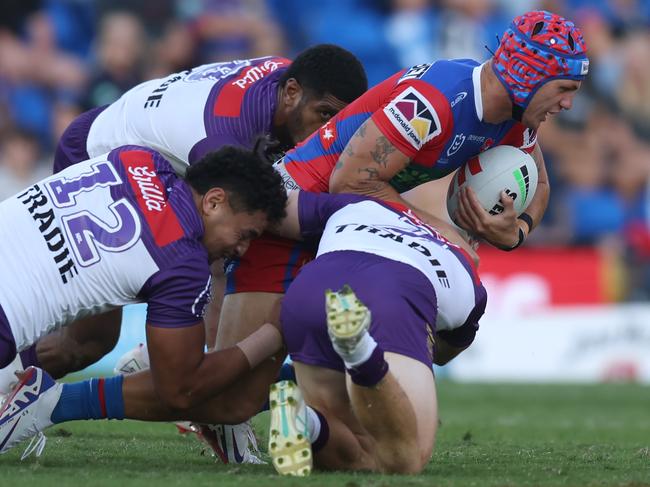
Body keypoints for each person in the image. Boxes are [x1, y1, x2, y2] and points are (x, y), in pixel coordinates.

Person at [214, 9, 589, 424]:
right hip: (291, 205)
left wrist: (515, 231)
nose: (568, 103)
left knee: (451, 333)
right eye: (564, 89)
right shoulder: (436, 100)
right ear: (528, 76)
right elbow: (351, 182)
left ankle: (308, 390)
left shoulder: (515, 119)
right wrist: (440, 232)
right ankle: (156, 378)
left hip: (348, 221)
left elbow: (540, 186)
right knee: (229, 399)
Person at [6, 43, 367, 383]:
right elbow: (281, 214)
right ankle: (17, 391)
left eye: (338, 122)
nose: (327, 132)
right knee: (90, 342)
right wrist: (373, 211)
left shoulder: (284, 81)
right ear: (291, 93)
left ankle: (188, 359)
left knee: (225, 243)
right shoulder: (224, 136)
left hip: (126, 143)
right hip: (98, 154)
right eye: (324, 115)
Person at [0, 144, 288, 455]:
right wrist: (274, 333)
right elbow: (181, 390)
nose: (242, 250)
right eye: (245, 234)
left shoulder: (138, 157)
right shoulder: (182, 262)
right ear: (214, 202)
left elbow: (80, 136)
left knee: (93, 340)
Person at [267, 191, 486, 476]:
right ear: (469, 243)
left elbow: (270, 206)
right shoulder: (470, 276)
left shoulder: (359, 204)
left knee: (361, 447)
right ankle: (359, 351)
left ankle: (305, 421)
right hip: (391, 294)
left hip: (312, 287)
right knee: (404, 459)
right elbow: (442, 355)